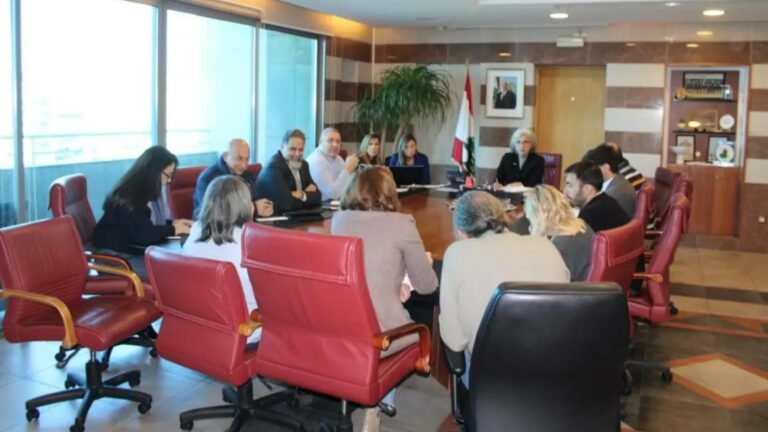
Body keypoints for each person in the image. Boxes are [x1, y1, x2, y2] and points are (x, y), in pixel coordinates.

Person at [331, 166, 438, 431]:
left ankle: (374, 400)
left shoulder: (339, 220)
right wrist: (422, 265)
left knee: (388, 308)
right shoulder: (402, 224)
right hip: (379, 335)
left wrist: (396, 283)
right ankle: (376, 403)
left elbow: (360, 272)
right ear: (389, 192)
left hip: (340, 326)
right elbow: (427, 286)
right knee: (406, 319)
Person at [439, 191, 570, 387]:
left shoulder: (457, 253)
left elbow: (455, 341)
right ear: (503, 218)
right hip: (553, 373)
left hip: (493, 381)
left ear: (462, 233)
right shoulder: (546, 246)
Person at [183, 176, 260, 342]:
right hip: (245, 328)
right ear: (246, 206)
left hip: (200, 324)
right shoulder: (250, 243)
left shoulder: (195, 231)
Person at [93, 146, 192, 276]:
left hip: (128, 252)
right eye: (168, 176)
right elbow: (143, 235)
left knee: (176, 263)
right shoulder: (129, 197)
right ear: (154, 172)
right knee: (171, 271)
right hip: (114, 260)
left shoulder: (136, 192)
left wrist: (173, 224)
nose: (168, 181)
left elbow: (142, 225)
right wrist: (174, 229)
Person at [524, 185, 595, 281]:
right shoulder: (582, 225)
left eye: (530, 218)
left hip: (571, 288)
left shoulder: (558, 249)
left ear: (538, 218)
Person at [192, 138, 273, 220]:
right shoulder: (208, 177)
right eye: (239, 159)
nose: (244, 165)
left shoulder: (246, 174)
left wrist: (265, 207)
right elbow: (213, 212)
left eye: (247, 159)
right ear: (225, 156)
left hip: (243, 222)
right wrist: (252, 208)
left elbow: (255, 198)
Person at [256, 129, 322, 215]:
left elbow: (318, 196)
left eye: (301, 150)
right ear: (282, 147)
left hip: (297, 216)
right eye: (292, 149)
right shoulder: (274, 167)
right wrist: (307, 195)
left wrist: (301, 194)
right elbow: (287, 204)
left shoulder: (304, 165)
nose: (297, 154)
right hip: (274, 218)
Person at [563, 161, 630, 232]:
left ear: (587, 189)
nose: (565, 191)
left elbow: (568, 238)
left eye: (570, 186)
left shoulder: (589, 214)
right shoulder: (607, 200)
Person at [583, 143, 636, 218]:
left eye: (595, 167)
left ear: (605, 168)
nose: (592, 171)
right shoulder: (618, 181)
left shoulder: (615, 194)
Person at [306, 127, 359, 201]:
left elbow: (349, 185)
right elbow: (333, 194)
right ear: (320, 142)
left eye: (338, 141)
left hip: (336, 202)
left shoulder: (338, 158)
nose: (335, 145)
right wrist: (348, 169)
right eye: (330, 140)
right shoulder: (317, 161)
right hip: (321, 205)